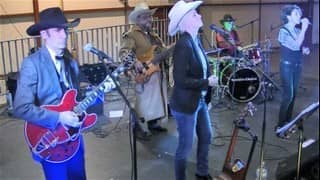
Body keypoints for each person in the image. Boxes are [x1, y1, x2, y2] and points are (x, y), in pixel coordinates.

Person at [13, 7, 114, 179]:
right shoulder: (32, 64)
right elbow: (21, 108)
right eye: (58, 30)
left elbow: (79, 98)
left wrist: (102, 90)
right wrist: (58, 117)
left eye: (65, 29)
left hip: (74, 139)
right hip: (50, 139)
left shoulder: (71, 62)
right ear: (44, 34)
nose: (64, 34)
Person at [168, 1, 218, 180]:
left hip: (199, 100)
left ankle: (202, 172)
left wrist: (208, 95)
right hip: (185, 104)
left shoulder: (195, 40)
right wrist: (207, 82)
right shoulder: (184, 45)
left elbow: (204, 68)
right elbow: (181, 81)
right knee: (185, 147)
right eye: (195, 14)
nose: (200, 16)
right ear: (186, 20)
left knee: (206, 135)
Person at [119, 2, 169, 139]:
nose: (149, 19)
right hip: (144, 74)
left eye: (150, 17)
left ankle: (153, 122)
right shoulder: (131, 35)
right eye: (146, 17)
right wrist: (135, 62)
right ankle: (140, 128)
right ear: (138, 19)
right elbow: (124, 52)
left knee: (157, 100)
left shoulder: (154, 35)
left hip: (157, 72)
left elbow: (162, 50)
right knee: (144, 102)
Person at [275, 5, 310, 137]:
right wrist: (305, 28)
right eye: (296, 14)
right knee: (288, 95)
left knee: (294, 95)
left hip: (297, 66)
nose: (299, 16)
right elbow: (295, 45)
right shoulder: (283, 31)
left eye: (299, 14)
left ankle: (288, 122)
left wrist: (304, 50)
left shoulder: (296, 30)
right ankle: (280, 125)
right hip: (287, 66)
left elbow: (298, 46)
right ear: (288, 16)